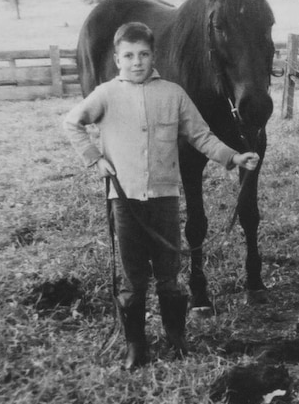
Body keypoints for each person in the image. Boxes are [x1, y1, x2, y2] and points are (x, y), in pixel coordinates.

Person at [63, 21, 260, 369]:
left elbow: (201, 136)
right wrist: (94, 159)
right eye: (128, 55)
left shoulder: (173, 94)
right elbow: (72, 122)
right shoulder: (106, 94)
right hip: (124, 201)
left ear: (154, 56)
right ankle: (135, 345)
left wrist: (233, 156)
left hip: (165, 198)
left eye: (143, 54)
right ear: (116, 58)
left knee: (169, 274)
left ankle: (176, 336)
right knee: (132, 275)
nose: (136, 62)